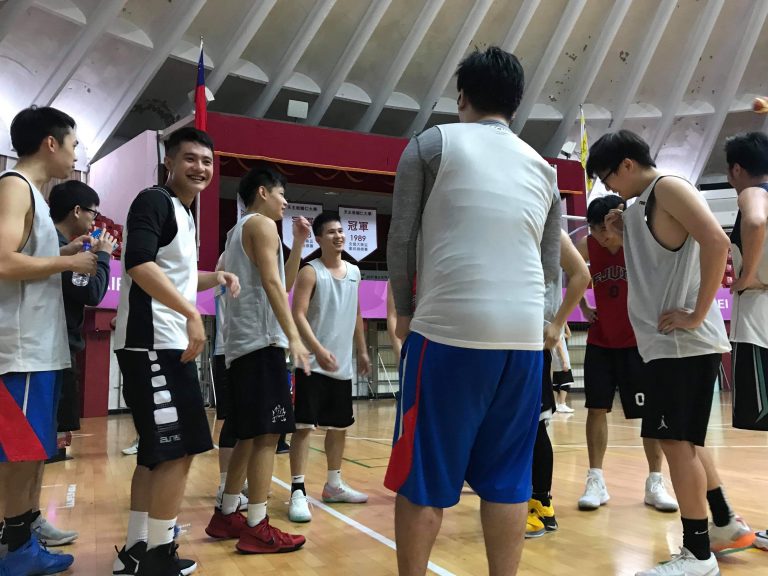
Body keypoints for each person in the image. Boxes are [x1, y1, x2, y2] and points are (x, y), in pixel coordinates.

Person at [386, 46, 562, 576]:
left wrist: (404, 311)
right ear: (516, 104)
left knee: (423, 479)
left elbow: (401, 240)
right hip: (524, 342)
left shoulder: (430, 143)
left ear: (461, 96)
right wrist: (542, 324)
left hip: (448, 332)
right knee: (509, 481)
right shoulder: (544, 168)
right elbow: (550, 267)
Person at [587, 129, 752, 576]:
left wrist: (696, 315)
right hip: (664, 346)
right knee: (683, 441)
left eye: (608, 177)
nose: (609, 187)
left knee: (676, 444)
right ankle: (722, 522)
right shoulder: (641, 206)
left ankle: (697, 554)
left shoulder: (669, 188)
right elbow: (657, 262)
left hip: (682, 345)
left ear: (627, 164)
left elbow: (716, 241)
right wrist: (623, 231)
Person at [112, 127, 240, 576]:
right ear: (168, 161)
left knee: (156, 453)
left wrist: (215, 278)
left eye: (206, 161)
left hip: (163, 345)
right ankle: (158, 556)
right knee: (175, 451)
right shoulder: (154, 201)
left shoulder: (183, 213)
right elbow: (139, 263)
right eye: (190, 158)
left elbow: (175, 275)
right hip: (154, 343)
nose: (200, 168)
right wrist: (190, 313)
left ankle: (137, 550)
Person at [0, 106, 96, 575]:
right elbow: (2, 261)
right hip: (20, 351)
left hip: (38, 348)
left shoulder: (33, 195)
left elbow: (24, 257)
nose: (76, 156)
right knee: (18, 454)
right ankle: (16, 549)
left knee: (32, 451)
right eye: (73, 145)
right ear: (51, 143)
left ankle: (22, 536)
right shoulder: (14, 187)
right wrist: (68, 263)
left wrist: (64, 252)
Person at [205, 163, 311, 554]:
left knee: (248, 436)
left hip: (240, 347)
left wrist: (297, 244)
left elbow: (281, 280)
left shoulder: (236, 232)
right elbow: (271, 284)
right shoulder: (262, 225)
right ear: (263, 192)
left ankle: (227, 513)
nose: (285, 202)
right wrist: (294, 336)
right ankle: (257, 525)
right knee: (268, 436)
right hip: (262, 343)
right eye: (282, 194)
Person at [574, 194, 677, 513]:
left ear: (617, 222)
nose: (600, 238)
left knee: (651, 412)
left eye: (603, 230)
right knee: (596, 409)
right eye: (594, 231)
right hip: (601, 340)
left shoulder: (641, 245)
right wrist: (582, 306)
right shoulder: (586, 246)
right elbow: (571, 272)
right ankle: (595, 480)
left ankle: (655, 482)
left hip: (639, 342)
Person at [287, 212, 372, 523]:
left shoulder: (355, 272)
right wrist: (318, 349)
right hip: (311, 364)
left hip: (341, 365)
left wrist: (362, 350)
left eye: (341, 231)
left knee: (339, 427)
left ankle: (334, 485)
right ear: (319, 238)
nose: (339, 236)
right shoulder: (311, 271)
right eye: (332, 232)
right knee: (304, 428)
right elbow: (297, 314)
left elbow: (357, 312)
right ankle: (298, 491)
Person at [527, 230, 590, 538]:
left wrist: (557, 323)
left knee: (536, 425)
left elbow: (581, 274)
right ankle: (509, 499)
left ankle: (542, 504)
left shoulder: (550, 227)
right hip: (497, 335)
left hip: (532, 338)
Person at [723, 131, 768, 551]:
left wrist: (748, 274)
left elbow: (755, 221)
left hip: (760, 326)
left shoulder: (753, 193)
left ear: (737, 169)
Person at [552, 325, 574, 413]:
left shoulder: (553, 332)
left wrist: (566, 325)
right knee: (565, 383)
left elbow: (569, 335)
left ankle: (555, 404)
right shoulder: (557, 333)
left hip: (555, 363)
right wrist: (565, 361)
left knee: (556, 384)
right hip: (561, 362)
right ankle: (562, 404)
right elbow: (560, 347)